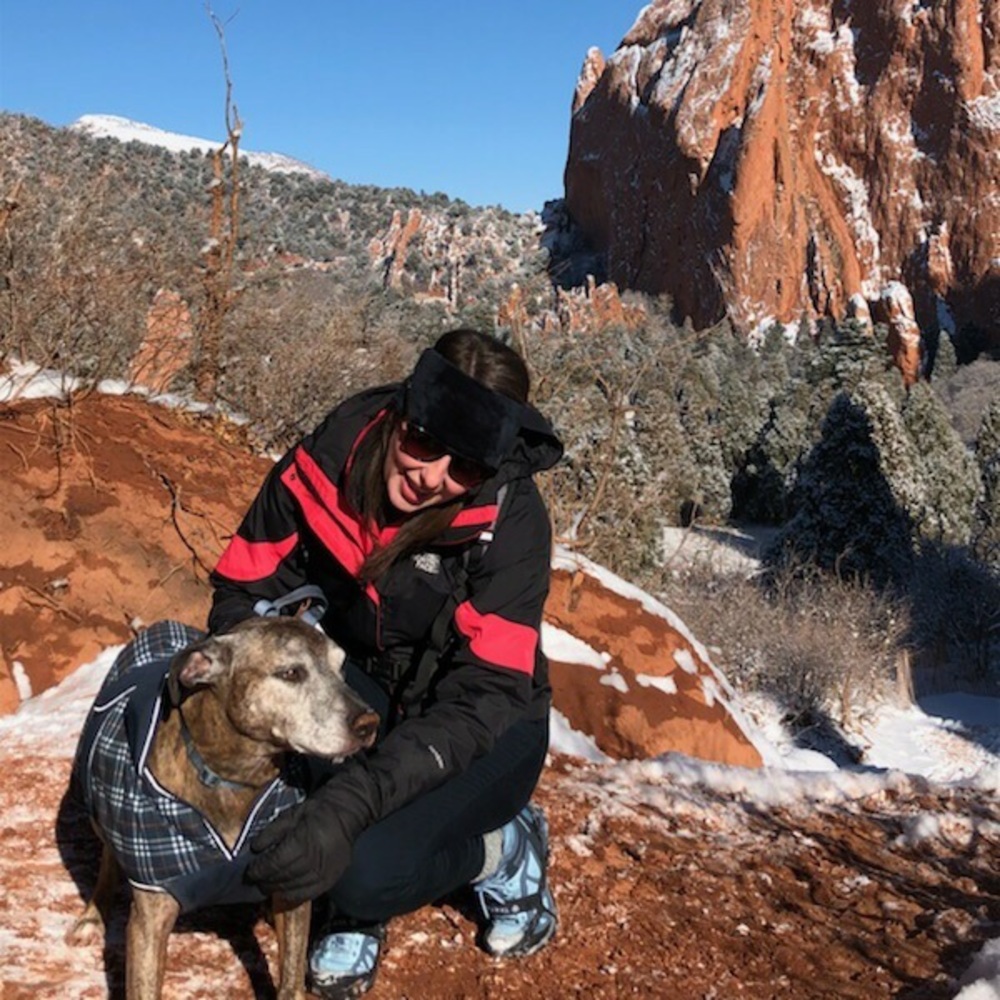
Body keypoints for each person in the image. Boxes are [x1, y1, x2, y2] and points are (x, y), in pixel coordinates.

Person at [208, 328, 564, 999]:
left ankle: (502, 851)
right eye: (424, 442)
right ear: (402, 412)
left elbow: (485, 694)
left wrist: (352, 802)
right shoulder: (326, 461)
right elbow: (243, 587)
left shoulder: (510, 525)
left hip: (486, 726)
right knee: (281, 797)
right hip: (367, 688)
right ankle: (358, 885)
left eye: (464, 468)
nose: (432, 476)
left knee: (362, 871)